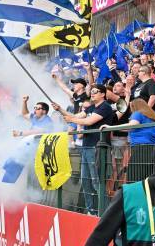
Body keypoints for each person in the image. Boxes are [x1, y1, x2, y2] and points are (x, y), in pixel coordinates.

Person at [58, 84, 114, 215]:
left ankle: (105, 213)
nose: (92, 93)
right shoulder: (92, 107)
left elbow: (88, 122)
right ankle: (91, 211)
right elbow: (77, 116)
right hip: (86, 147)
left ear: (103, 94)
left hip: (97, 147)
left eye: (96, 91)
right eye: (92, 91)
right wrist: (60, 109)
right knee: (86, 181)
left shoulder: (105, 107)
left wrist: (71, 119)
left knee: (96, 181)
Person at [101, 99, 155, 183]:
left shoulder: (138, 113)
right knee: (148, 177)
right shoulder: (153, 116)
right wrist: (118, 129)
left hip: (141, 149)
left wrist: (110, 127)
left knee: (134, 177)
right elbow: (134, 128)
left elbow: (132, 125)